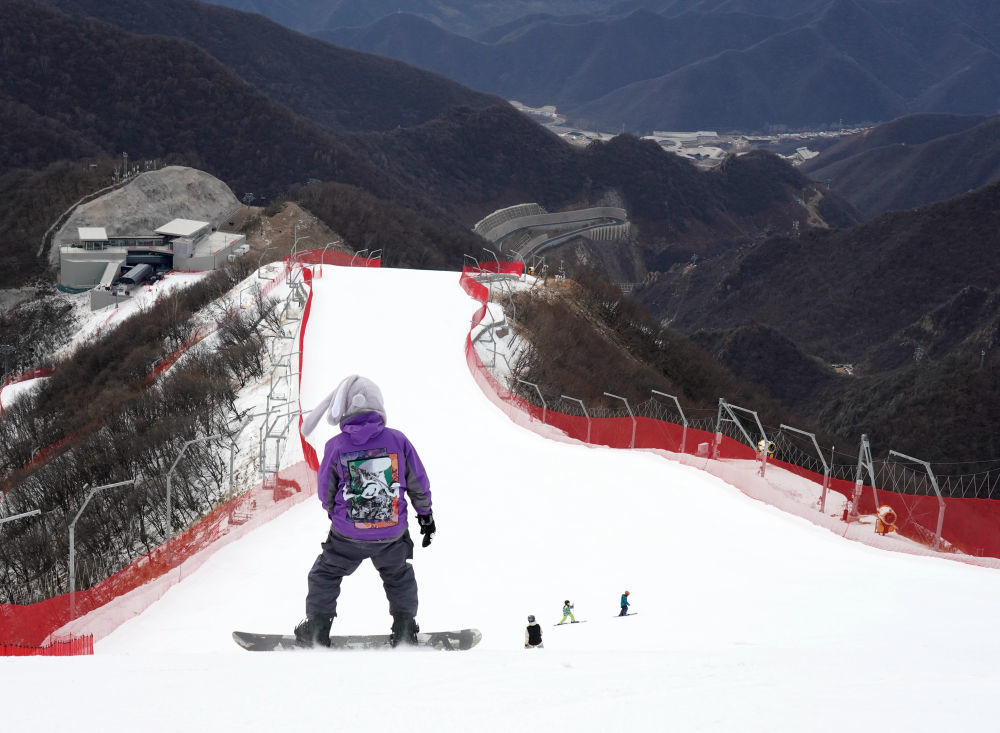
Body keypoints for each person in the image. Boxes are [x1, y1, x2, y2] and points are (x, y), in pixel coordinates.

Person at [293, 375, 436, 648]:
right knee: (398, 576)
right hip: (392, 532)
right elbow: (418, 480)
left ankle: (317, 629)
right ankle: (405, 628)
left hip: (348, 534)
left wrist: (334, 511)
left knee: (326, 574)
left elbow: (325, 489)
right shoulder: (398, 440)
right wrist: (425, 515)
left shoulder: (335, 447)